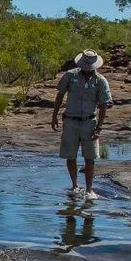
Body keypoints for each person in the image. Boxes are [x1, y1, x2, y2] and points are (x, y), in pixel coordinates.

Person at [50, 49, 111, 200]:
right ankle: (75, 185)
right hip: (70, 121)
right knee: (70, 155)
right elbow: (60, 94)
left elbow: (103, 105)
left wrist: (99, 128)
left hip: (89, 122)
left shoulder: (100, 81)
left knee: (89, 157)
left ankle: (89, 190)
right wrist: (54, 116)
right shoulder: (70, 76)